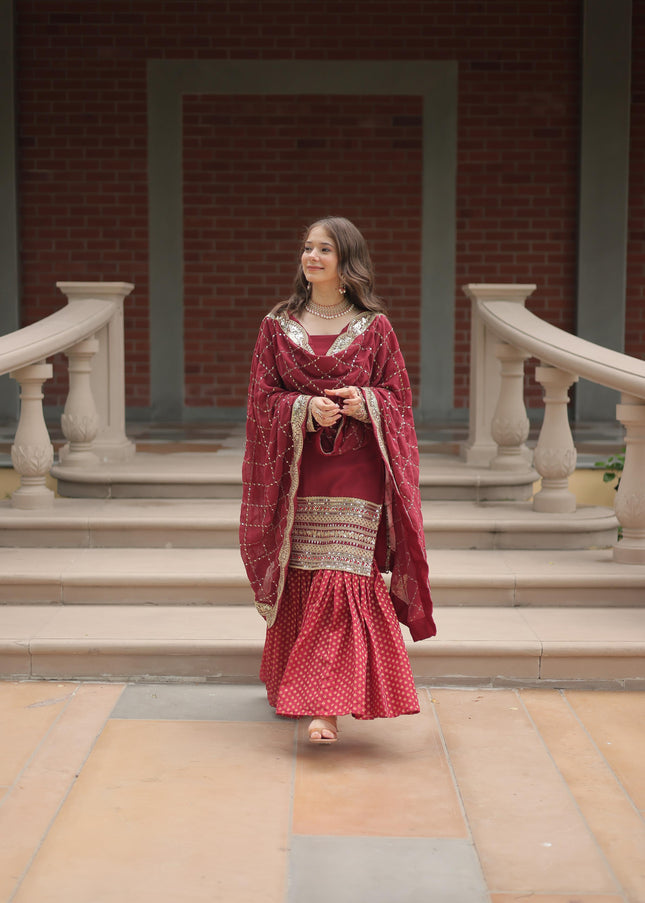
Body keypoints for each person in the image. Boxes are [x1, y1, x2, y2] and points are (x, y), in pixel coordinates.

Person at [239, 216, 436, 744]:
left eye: (324, 249)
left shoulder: (375, 327)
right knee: (304, 568)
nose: (312, 256)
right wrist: (303, 408)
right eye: (307, 247)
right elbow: (261, 401)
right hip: (297, 469)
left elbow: (398, 398)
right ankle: (292, 682)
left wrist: (364, 401)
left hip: (356, 467)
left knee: (341, 571)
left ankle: (324, 706)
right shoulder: (276, 324)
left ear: (346, 264)